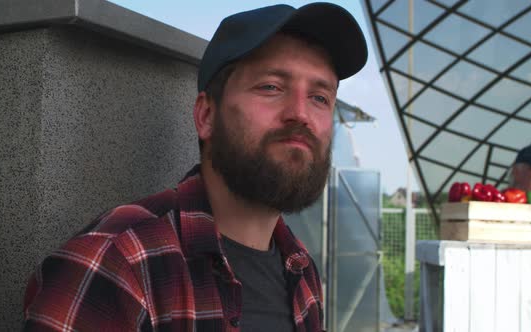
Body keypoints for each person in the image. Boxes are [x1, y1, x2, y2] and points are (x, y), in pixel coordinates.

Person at [22, 3, 367, 331]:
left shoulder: (300, 270)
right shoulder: (117, 266)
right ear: (206, 116)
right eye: (271, 86)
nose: (301, 113)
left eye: (320, 97)